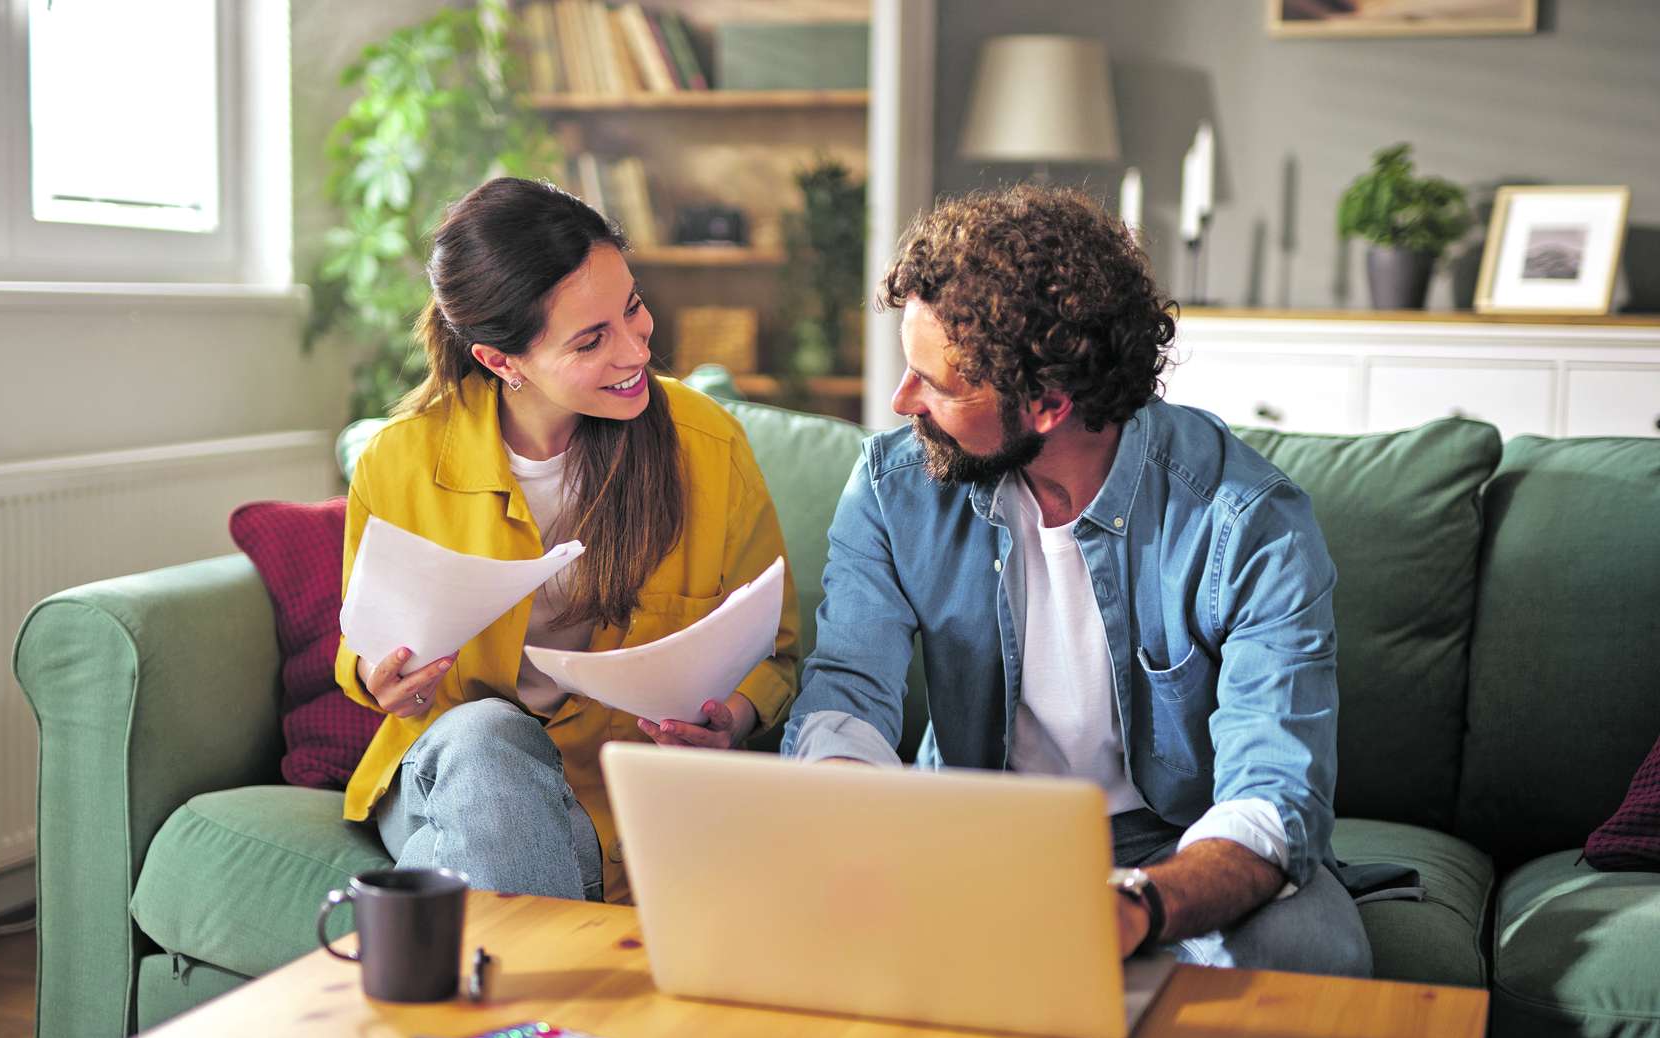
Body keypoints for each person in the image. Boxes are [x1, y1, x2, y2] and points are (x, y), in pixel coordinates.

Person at [782, 184, 1369, 976]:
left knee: (1309, 948)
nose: (900, 401)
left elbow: (1272, 795)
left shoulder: (1247, 523)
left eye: (938, 385)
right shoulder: (894, 489)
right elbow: (847, 693)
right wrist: (868, 825)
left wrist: (1133, 907)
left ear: (1050, 403)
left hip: (1173, 848)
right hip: (968, 833)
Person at [337, 177, 799, 904]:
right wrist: (378, 677)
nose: (635, 349)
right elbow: (363, 645)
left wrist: (731, 717)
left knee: (463, 858)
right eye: (591, 339)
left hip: (624, 788)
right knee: (485, 738)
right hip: (455, 768)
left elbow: (777, 650)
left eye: (634, 307)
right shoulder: (399, 463)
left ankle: (469, 969)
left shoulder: (708, 445)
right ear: (501, 361)